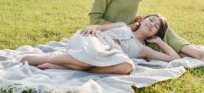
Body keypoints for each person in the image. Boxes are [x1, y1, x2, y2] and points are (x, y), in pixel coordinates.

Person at [21, 14, 180, 75]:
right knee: (94, 51)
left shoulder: (145, 50)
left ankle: (66, 64)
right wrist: (93, 27)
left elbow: (174, 58)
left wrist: (159, 41)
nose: (152, 24)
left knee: (127, 66)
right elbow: (98, 28)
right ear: (143, 19)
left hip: (107, 54)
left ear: (155, 33)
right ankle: (49, 59)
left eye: (156, 26)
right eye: (151, 20)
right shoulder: (121, 25)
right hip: (91, 39)